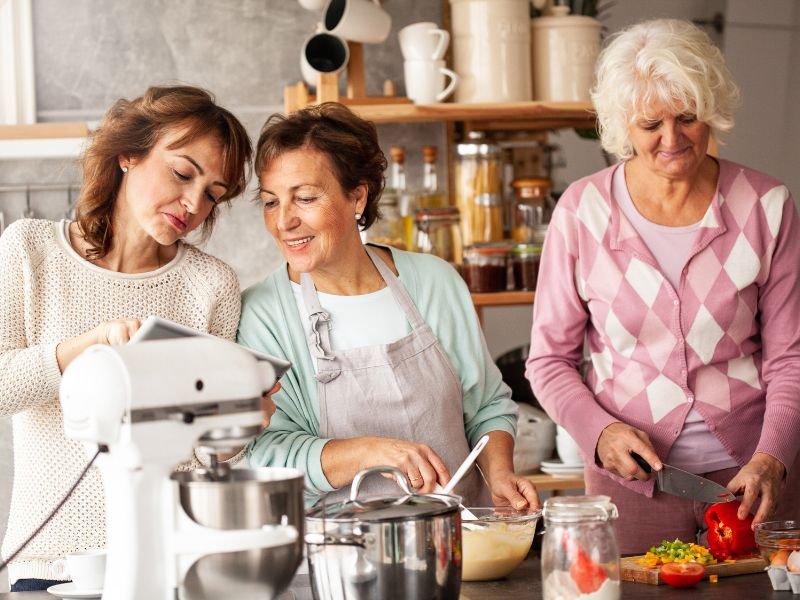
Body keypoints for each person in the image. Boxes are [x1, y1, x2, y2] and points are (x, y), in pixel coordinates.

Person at [526, 18, 800, 553]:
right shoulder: (583, 212)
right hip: (629, 484)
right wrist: (600, 433)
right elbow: (548, 360)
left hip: (755, 478)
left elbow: (791, 356)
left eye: (688, 118)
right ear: (622, 124)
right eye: (650, 123)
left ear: (711, 112)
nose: (671, 140)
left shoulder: (767, 206)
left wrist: (774, 457)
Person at [0, 84, 252, 591]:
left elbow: (207, 458)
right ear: (128, 155)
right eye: (183, 173)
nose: (193, 203)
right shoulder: (29, 251)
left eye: (212, 194)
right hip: (50, 569)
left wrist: (237, 427)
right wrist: (85, 350)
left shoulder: (211, 285)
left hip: (173, 565)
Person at [238, 102, 539, 510]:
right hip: (335, 554)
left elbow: (486, 405)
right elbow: (267, 452)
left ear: (357, 197)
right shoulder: (263, 314)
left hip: (458, 540)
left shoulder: (434, 282)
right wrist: (371, 452)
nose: (283, 221)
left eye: (305, 198)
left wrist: (500, 472)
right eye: (271, 202)